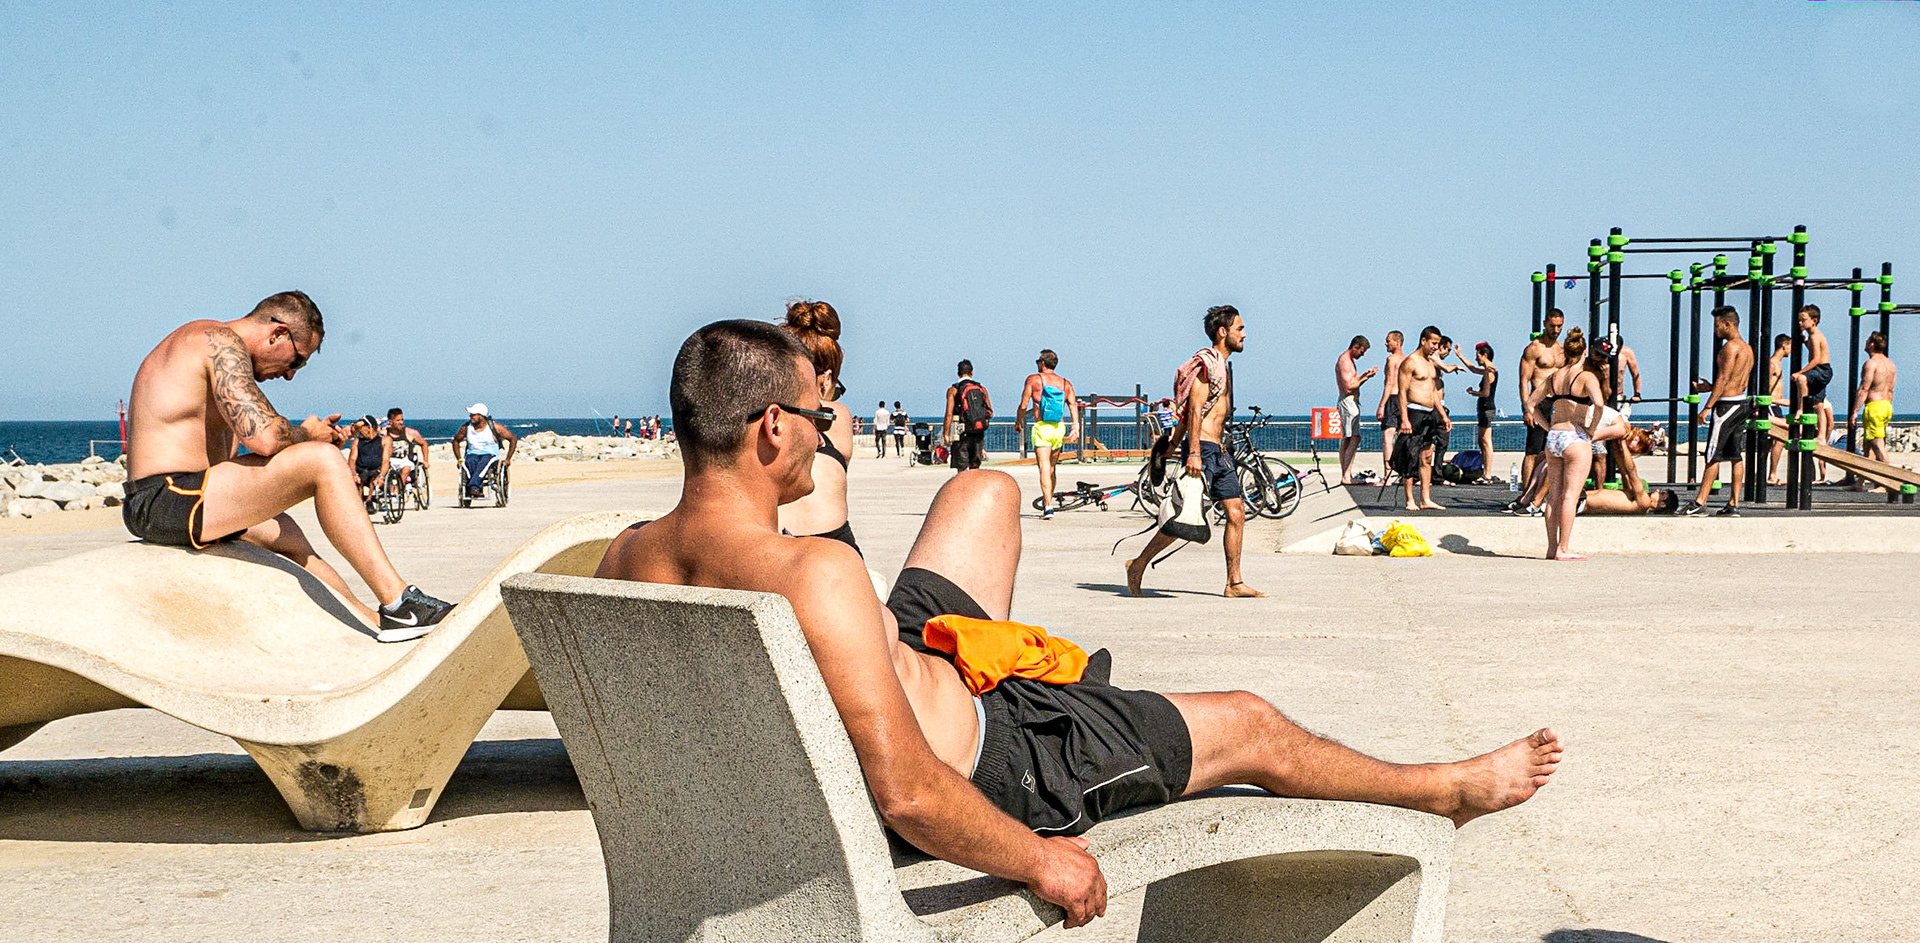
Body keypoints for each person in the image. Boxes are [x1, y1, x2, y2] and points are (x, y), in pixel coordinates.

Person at [597, 319, 1563, 930]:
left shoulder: (624, 562)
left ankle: (1013, 664)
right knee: (1251, 721)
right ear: (771, 427)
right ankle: (1440, 790)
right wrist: (1041, 859)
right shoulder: (815, 571)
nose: (828, 429)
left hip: (899, 669)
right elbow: (909, 794)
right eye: (817, 415)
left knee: (983, 490)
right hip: (1000, 760)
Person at [121, 291, 453, 641]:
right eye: (297, 361)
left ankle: (372, 619)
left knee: (289, 536)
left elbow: (256, 451)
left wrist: (312, 438)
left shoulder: (220, 358)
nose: (291, 375)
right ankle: (399, 602)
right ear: (277, 333)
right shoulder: (216, 341)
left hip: (193, 495)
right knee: (322, 462)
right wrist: (309, 437)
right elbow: (264, 438)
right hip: (162, 498)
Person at [1126, 306, 1265, 598]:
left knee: (1236, 512)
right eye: (1240, 328)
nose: (1245, 334)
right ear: (1222, 332)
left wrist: (1171, 447)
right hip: (1202, 450)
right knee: (1183, 521)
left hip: (1219, 451)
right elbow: (1195, 410)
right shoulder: (1206, 366)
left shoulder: (1222, 368)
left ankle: (1234, 582)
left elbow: (1193, 413)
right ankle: (1138, 564)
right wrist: (1192, 453)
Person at [773, 299, 861, 554]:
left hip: (768, 545)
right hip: (833, 548)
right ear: (827, 377)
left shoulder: (759, 417)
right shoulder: (838, 416)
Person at [1681, 307, 1754, 517]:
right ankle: (1733, 505)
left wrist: (1707, 406)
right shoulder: (1747, 349)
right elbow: (1740, 381)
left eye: (1717, 326)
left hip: (1725, 407)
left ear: (1727, 324)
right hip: (1741, 404)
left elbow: (1724, 379)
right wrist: (1710, 387)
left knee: (1712, 455)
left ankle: (1699, 502)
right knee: (1735, 456)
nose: (1715, 331)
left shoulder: (1729, 348)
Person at [1018, 350, 1079, 519]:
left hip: (1042, 427)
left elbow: (1023, 405)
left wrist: (1018, 421)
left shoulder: (1034, 379)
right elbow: (1073, 404)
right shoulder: (1065, 383)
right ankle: (1049, 500)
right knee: (1052, 467)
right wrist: (1076, 427)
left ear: (1042, 363)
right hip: (1059, 427)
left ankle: (1048, 506)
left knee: (1044, 467)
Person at [1396, 327, 1449, 511]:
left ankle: (1426, 499)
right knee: (1410, 457)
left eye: (1437, 344)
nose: (1436, 347)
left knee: (1427, 456)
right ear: (1423, 341)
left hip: (1430, 413)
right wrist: (1404, 419)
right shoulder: (1410, 362)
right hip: (1413, 412)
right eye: (1433, 343)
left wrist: (1442, 415)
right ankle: (1410, 499)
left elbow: (1433, 392)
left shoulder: (1429, 363)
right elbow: (1401, 392)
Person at [1518, 310, 1567, 500]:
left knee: (1555, 451)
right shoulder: (1534, 349)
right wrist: (1527, 408)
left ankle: (1545, 493)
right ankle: (1524, 495)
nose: (1556, 330)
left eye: (1559, 326)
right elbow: (1524, 380)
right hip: (1540, 402)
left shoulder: (1563, 349)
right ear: (1545, 323)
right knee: (1533, 451)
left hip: (1560, 402)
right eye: (1552, 325)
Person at [1791, 305, 1834, 482]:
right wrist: (1803, 341)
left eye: (1803, 319)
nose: (1800, 322)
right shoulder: (1812, 336)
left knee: (1801, 381)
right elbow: (1813, 349)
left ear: (1814, 321)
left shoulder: (1816, 335)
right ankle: (1822, 436)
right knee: (1818, 404)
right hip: (1823, 369)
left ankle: (1800, 409)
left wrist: (1800, 372)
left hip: (1821, 370)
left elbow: (1816, 358)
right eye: (1799, 320)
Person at [1580, 439, 1679, 515]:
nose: (1657, 490)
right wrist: (1616, 446)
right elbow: (1624, 472)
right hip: (1581, 498)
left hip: (1581, 502)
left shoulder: (1644, 503)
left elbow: (1632, 472)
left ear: (1662, 504)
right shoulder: (1636, 498)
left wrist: (1623, 443)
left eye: (1662, 494)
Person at [1853, 331, 1898, 471]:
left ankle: (1888, 480)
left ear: (1872, 344)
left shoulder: (1871, 363)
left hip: (1875, 407)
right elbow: (1891, 390)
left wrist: (1855, 411)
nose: (1865, 343)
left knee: (1877, 445)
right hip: (1886, 405)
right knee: (1868, 446)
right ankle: (1860, 482)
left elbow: (1864, 388)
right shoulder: (1890, 364)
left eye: (1867, 341)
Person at [1333, 336, 1376, 484]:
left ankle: (1346, 475)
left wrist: (1364, 375)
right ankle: (1346, 476)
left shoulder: (1349, 361)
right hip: (1348, 401)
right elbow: (1349, 387)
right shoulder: (1344, 361)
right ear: (1355, 347)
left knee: (1349, 438)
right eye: (1361, 351)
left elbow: (1353, 382)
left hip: (1351, 401)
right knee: (1353, 437)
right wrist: (1366, 378)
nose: (1362, 355)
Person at [452, 404, 518, 498]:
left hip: (491, 455)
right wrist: (459, 459)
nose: (470, 417)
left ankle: (474, 487)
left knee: (484, 462)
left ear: (481, 416)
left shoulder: (495, 427)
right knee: (470, 461)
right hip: (472, 453)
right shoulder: (466, 428)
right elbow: (455, 441)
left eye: (473, 414)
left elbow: (513, 439)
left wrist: (508, 459)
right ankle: (475, 487)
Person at [944, 359, 994, 473]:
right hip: (978, 431)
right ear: (972, 372)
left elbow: (949, 414)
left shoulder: (953, 390)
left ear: (958, 373)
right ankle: (974, 489)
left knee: (961, 469)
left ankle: (962, 490)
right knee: (975, 467)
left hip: (961, 433)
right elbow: (990, 412)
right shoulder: (981, 389)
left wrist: (946, 434)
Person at [1460, 342, 1499, 483]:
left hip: (1487, 408)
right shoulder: (1487, 370)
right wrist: (1460, 356)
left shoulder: (1490, 371)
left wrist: (1473, 392)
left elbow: (1486, 392)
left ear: (1485, 355)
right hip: (1484, 408)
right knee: (1482, 441)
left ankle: (1487, 474)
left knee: (1486, 441)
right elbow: (1472, 369)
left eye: (1478, 356)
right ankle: (1485, 472)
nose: (1476, 359)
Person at [1374, 330, 1406, 480]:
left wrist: (1381, 405)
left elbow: (1389, 383)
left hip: (1393, 398)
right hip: (1404, 399)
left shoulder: (1391, 359)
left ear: (1397, 342)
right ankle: (1402, 472)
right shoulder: (1407, 360)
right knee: (1402, 436)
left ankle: (1387, 474)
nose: (1386, 344)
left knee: (1388, 437)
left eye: (1388, 341)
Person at [384, 407, 431, 496]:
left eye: (402, 419)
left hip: (405, 459)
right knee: (385, 468)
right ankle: (389, 490)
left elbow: (424, 444)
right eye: (398, 420)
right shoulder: (384, 433)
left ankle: (397, 491)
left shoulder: (410, 432)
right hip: (390, 460)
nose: (401, 422)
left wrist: (426, 460)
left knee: (406, 468)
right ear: (390, 421)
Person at [1764, 334, 1791, 485]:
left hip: (1776, 405)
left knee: (1770, 442)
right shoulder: (1773, 364)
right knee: (1781, 437)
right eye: (1790, 346)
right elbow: (1765, 387)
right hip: (1771, 405)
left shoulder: (1777, 364)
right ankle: (1772, 474)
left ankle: (1767, 473)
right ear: (1784, 345)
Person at [347, 416, 390, 503]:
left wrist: (381, 476)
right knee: (363, 474)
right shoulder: (357, 441)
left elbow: (386, 460)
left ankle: (369, 499)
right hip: (361, 470)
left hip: (376, 470)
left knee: (373, 474)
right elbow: (352, 459)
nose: (359, 432)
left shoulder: (384, 440)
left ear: (368, 428)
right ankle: (360, 497)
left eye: (360, 429)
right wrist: (354, 474)